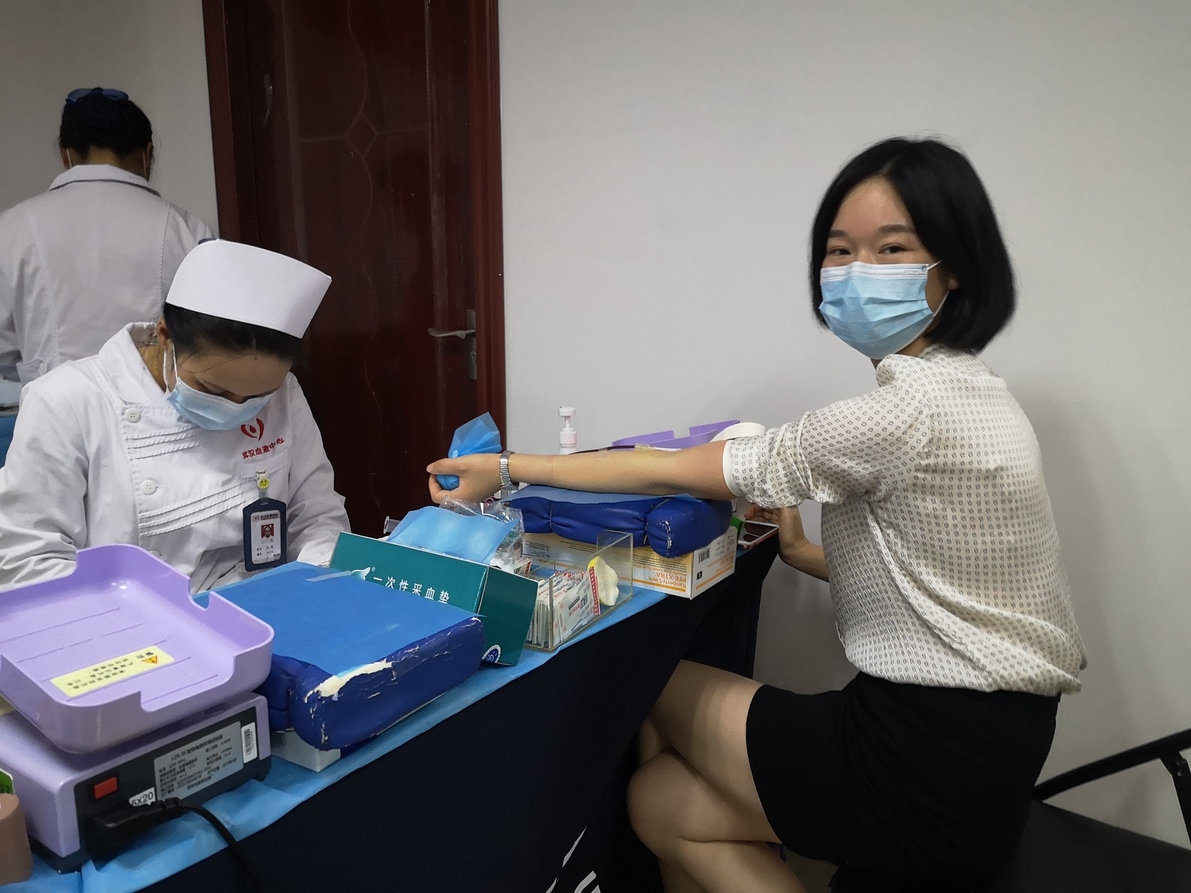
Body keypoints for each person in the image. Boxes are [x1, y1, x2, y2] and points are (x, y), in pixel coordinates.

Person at [427, 137, 1087, 892]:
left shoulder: (904, 412)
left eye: (891, 249)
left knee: (641, 675)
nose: (856, 272)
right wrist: (801, 553)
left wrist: (507, 467)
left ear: (954, 265)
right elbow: (946, 577)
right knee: (659, 803)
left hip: (921, 752)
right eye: (839, 251)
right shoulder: (976, 390)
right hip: (993, 747)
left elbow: (670, 467)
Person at [0, 239, 349, 594]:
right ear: (164, 335)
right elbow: (31, 558)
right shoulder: (68, 402)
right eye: (214, 390)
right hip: (129, 615)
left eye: (257, 398)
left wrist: (319, 584)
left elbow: (316, 514)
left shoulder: (283, 391)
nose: (236, 407)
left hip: (265, 604)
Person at [0, 87, 213, 383]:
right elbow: (208, 340)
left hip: (52, 405)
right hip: (159, 405)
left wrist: (40, 365)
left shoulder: (12, 228)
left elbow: (4, 350)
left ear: (65, 154)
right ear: (147, 153)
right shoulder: (187, 229)